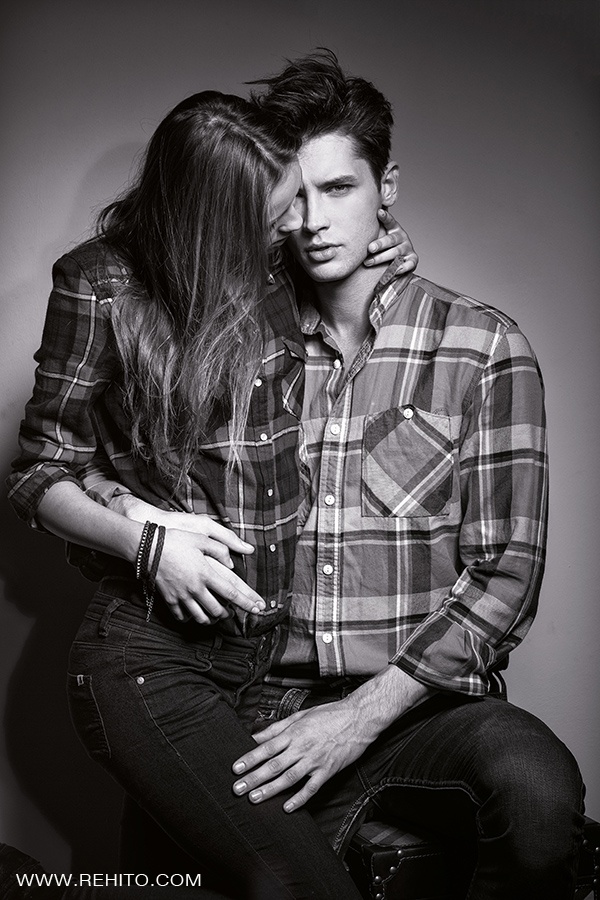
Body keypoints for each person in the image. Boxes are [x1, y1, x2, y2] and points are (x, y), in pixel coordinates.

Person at [6, 89, 416, 899]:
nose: (297, 224)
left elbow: (350, 266)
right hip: (150, 655)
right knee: (306, 886)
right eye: (277, 211)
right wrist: (148, 543)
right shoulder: (100, 286)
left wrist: (383, 242)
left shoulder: (275, 266)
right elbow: (37, 472)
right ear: (213, 218)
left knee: (185, 884)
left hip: (261, 656)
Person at [221, 51, 584, 898]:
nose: (314, 221)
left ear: (386, 188)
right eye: (294, 196)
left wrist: (359, 716)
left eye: (339, 188)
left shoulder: (482, 346)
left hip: (420, 704)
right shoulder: (242, 351)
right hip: (258, 700)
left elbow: (505, 576)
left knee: (537, 791)